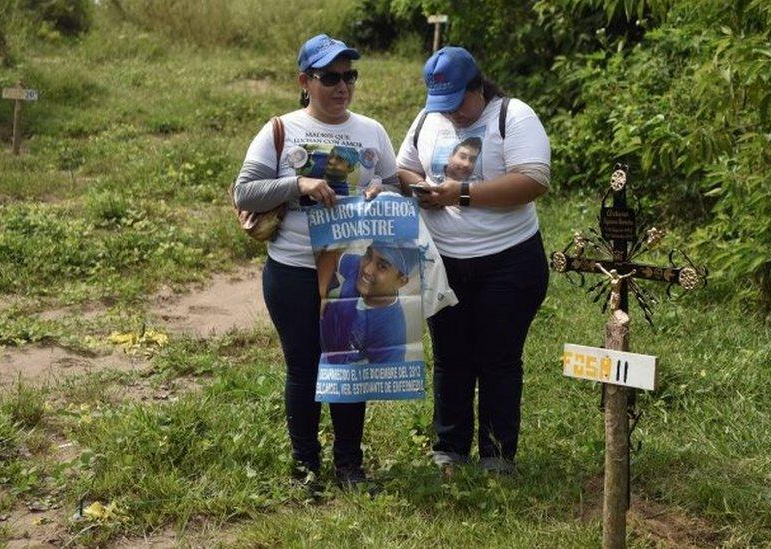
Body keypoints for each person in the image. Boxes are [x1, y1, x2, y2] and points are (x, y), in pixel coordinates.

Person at [232, 33, 400, 490]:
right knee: (304, 366)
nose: (342, 86)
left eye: (350, 76)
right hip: (292, 270)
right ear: (305, 81)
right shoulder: (280, 130)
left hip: (351, 268)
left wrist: (382, 190)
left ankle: (349, 466)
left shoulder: (372, 131)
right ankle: (306, 467)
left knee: (347, 365)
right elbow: (244, 192)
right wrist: (297, 185)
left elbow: (395, 184)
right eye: (330, 77)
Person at [396, 47, 551, 475]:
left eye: (459, 104)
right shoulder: (428, 120)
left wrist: (460, 194)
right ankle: (450, 448)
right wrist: (422, 187)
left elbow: (533, 180)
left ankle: (498, 455)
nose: (454, 116)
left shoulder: (513, 116)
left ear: (478, 87)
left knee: (499, 357)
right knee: (450, 355)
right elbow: (402, 169)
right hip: (444, 261)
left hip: (509, 261)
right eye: (443, 106)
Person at [320, 242, 419, 365]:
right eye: (368, 255)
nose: (367, 269)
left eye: (382, 266)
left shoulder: (391, 332)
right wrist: (322, 290)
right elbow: (332, 256)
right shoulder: (358, 265)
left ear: (401, 281)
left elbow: (385, 379)